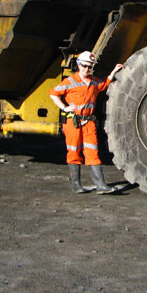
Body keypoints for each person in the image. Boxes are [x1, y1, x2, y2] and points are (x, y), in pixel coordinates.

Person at [49, 51, 124, 194]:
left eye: (90, 67)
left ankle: (101, 185)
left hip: (89, 123)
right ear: (78, 65)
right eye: (84, 66)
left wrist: (114, 71)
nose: (87, 69)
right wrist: (65, 107)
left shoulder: (94, 81)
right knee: (74, 152)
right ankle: (77, 185)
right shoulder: (70, 82)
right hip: (73, 122)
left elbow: (104, 84)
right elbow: (53, 93)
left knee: (92, 152)